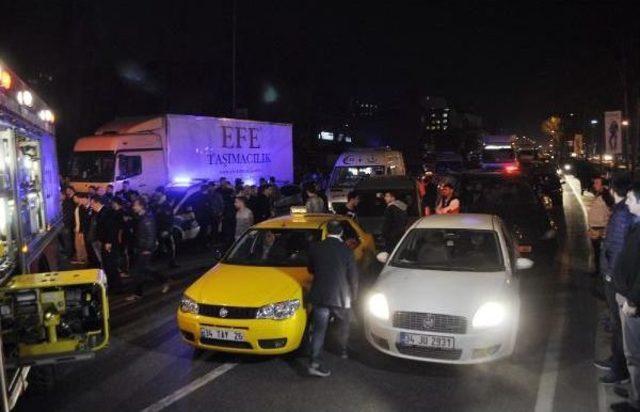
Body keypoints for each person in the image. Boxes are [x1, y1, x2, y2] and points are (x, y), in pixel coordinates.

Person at [307, 220, 359, 377]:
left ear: (327, 231)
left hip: (320, 295)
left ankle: (314, 362)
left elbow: (311, 269)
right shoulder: (347, 250)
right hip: (341, 296)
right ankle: (343, 349)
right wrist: (354, 295)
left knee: (319, 330)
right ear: (341, 233)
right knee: (345, 323)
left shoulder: (316, 247)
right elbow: (353, 277)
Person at [595, 177, 633, 385]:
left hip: (616, 279)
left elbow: (617, 249)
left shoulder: (621, 213)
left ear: (612, 190)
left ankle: (620, 370)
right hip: (617, 276)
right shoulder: (622, 211)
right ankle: (617, 361)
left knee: (619, 324)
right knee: (617, 322)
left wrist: (610, 274)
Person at [612, 183, 640, 411]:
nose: (627, 202)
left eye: (631, 199)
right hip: (628, 295)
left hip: (634, 303)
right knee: (633, 354)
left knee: (635, 354)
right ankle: (633, 391)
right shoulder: (636, 224)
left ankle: (636, 401)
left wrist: (632, 300)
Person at [127, 198, 169, 301]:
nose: (133, 207)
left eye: (135, 205)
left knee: (138, 272)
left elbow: (150, 235)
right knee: (145, 270)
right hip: (141, 248)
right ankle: (164, 280)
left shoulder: (147, 219)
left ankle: (137, 294)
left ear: (141, 206)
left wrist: (147, 249)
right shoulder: (140, 217)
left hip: (145, 249)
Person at [92, 196, 121, 291]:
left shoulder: (106, 213)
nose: (91, 205)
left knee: (110, 265)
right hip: (105, 242)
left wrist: (108, 242)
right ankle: (112, 285)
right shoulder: (102, 212)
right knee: (107, 264)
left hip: (109, 243)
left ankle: (115, 286)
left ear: (98, 203)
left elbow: (111, 228)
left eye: (92, 203)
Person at [587, 176, 614, 277]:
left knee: (601, 252)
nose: (594, 185)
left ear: (603, 185)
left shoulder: (606, 195)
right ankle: (598, 270)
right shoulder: (600, 194)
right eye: (594, 183)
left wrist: (605, 229)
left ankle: (601, 272)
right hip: (595, 228)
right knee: (597, 251)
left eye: (597, 183)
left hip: (600, 229)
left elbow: (612, 212)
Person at [153, 189, 179, 268]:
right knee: (159, 247)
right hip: (158, 229)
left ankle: (172, 262)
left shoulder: (166, 206)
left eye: (158, 193)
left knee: (170, 246)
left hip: (165, 230)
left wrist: (167, 230)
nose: (156, 195)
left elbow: (170, 219)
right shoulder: (156, 205)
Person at [71, 194, 88, 265]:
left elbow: (82, 220)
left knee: (80, 245)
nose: (74, 200)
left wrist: (80, 231)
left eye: (75, 198)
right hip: (79, 229)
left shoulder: (82, 208)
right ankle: (82, 258)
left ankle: (82, 259)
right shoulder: (79, 207)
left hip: (80, 230)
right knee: (80, 245)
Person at [61, 186, 77, 260]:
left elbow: (69, 213)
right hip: (69, 223)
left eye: (68, 190)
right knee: (69, 239)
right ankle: (70, 253)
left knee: (69, 239)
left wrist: (66, 222)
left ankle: (70, 254)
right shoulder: (67, 200)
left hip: (69, 223)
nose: (67, 192)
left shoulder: (71, 200)